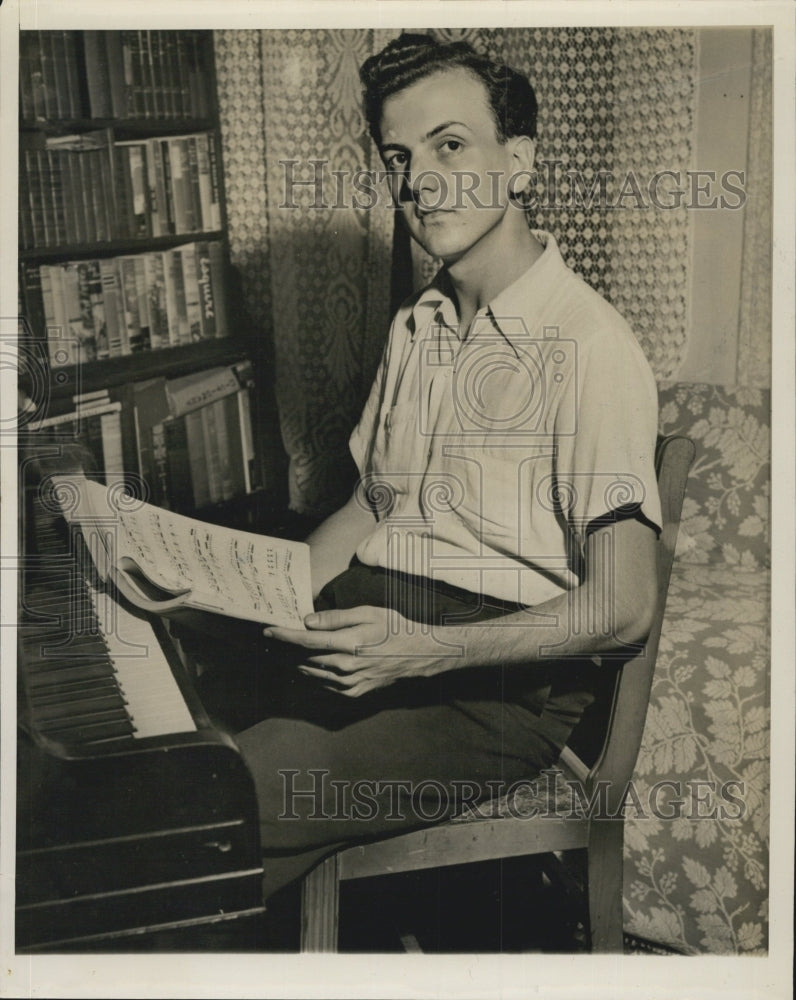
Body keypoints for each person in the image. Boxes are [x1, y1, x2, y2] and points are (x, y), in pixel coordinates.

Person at [231, 33, 662, 914]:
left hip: (492, 686)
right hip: (376, 622)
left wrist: (422, 653)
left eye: (451, 145)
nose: (420, 181)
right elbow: (372, 504)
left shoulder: (589, 347)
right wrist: (245, 594)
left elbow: (623, 607)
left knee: (227, 791)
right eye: (400, 157)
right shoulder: (416, 325)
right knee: (166, 731)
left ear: (520, 163)